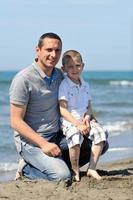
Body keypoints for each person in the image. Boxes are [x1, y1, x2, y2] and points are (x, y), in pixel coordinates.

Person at [9, 33, 108, 182]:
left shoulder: (61, 75)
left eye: (57, 50)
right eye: (49, 50)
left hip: (58, 137)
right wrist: (43, 144)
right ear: (38, 50)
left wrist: (89, 118)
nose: (53, 55)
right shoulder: (23, 79)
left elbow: (81, 95)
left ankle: (53, 164)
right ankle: (26, 168)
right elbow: (15, 121)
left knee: (102, 143)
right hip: (32, 142)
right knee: (62, 176)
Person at [58, 50, 108, 181]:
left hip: (85, 119)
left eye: (78, 65)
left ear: (83, 66)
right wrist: (78, 124)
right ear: (63, 69)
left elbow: (89, 105)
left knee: (100, 133)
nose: (75, 69)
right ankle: (75, 170)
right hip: (70, 120)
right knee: (75, 136)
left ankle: (91, 168)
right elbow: (63, 110)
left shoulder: (85, 85)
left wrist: (87, 116)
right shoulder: (64, 85)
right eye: (70, 66)